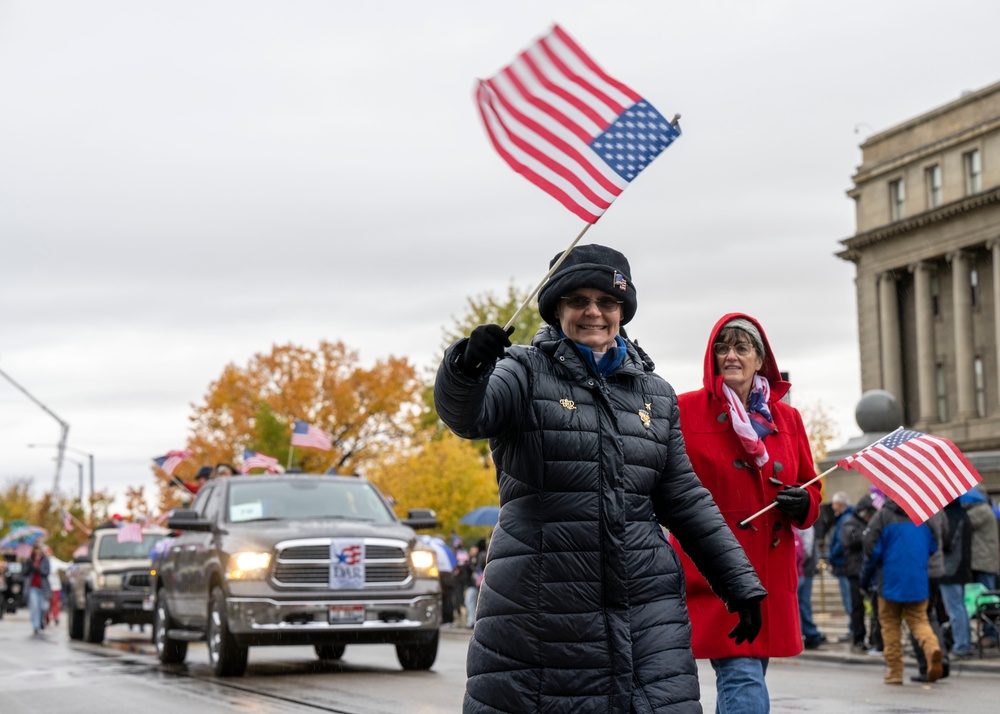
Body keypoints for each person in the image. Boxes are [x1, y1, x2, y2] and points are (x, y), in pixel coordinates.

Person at [435, 244, 766, 713]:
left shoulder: (656, 393)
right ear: (556, 309)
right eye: (577, 300)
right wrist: (467, 369)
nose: (594, 312)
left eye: (607, 302)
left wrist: (739, 582)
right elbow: (467, 416)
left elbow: (684, 499)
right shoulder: (522, 371)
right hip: (542, 610)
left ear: (622, 312)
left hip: (646, 615)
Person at [668, 313, 821, 714]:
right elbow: (666, 485)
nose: (730, 356)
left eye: (742, 347)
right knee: (743, 671)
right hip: (716, 570)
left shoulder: (787, 419)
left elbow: (811, 486)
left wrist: (804, 503)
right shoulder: (684, 410)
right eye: (723, 348)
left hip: (771, 571)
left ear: (760, 359)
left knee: (749, 669)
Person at [862, 497, 943, 685]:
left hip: (890, 579)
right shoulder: (922, 514)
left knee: (889, 624)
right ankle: (932, 649)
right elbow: (933, 545)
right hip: (918, 579)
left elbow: (870, 545)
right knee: (919, 620)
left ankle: (895, 671)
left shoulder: (884, 515)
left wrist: (877, 562)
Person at [961, 486, 1000, 647]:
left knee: (987, 601)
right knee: (984, 600)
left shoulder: (981, 511)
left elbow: (964, 522)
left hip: (984, 563)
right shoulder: (986, 509)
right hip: (983, 562)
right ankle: (989, 633)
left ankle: (991, 635)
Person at [839, 494, 877, 653]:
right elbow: (850, 539)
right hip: (855, 572)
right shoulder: (850, 522)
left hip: (868, 571)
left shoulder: (868, 523)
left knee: (874, 608)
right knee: (857, 608)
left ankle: (874, 639)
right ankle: (858, 639)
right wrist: (868, 534)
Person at [939, 497, 974, 658]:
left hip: (951, 568)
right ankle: (964, 643)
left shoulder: (951, 516)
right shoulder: (963, 514)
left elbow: (948, 542)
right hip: (961, 566)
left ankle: (961, 646)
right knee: (960, 607)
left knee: (955, 609)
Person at [826, 491, 855, 643]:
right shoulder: (845, 518)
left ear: (840, 505)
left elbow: (840, 542)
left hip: (844, 565)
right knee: (849, 599)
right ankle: (853, 629)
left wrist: (831, 555)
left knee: (848, 599)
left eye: (834, 503)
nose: (832, 505)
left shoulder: (844, 519)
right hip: (845, 564)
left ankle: (853, 630)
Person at [794, 525, 826, 649]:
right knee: (801, 604)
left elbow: (804, 551)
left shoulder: (803, 526)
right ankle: (809, 633)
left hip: (804, 570)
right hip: (803, 569)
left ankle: (809, 633)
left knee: (802, 604)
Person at [22, 543, 51, 635]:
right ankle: (35, 626)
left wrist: (38, 568)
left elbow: (46, 572)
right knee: (34, 607)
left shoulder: (45, 560)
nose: (37, 551)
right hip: (32, 588)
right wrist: (30, 565)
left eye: (39, 549)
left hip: (43, 587)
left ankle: (41, 621)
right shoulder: (29, 560)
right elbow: (24, 573)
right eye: (35, 549)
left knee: (43, 607)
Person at [43, 545, 68, 626]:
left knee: (54, 602)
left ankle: (56, 616)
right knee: (46, 604)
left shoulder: (55, 561)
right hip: (45, 586)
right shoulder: (42, 561)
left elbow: (65, 566)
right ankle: (46, 618)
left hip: (55, 586)